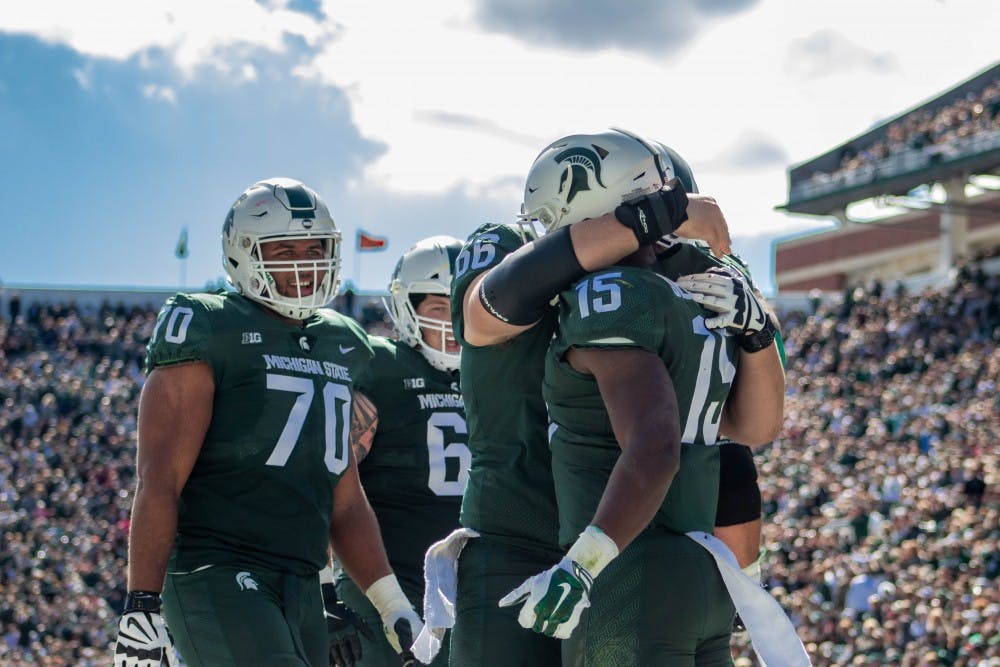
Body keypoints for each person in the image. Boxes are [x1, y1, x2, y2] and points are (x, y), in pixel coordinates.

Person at [444, 129, 736, 666]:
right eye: (661, 215)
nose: (667, 242)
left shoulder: (664, 279)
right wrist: (658, 214)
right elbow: (484, 317)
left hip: (615, 540)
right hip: (517, 535)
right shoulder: (510, 246)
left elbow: (729, 434)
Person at [111, 178, 422, 667]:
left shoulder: (346, 342)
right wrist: (141, 605)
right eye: (283, 250)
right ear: (243, 254)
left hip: (298, 581)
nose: (303, 263)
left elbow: (342, 494)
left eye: (314, 248)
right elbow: (159, 479)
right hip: (217, 566)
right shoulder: (208, 324)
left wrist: (393, 604)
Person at [498, 136, 785, 665]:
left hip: (626, 567)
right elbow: (757, 430)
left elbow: (654, 449)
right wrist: (759, 333)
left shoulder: (612, 293)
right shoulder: (698, 294)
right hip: (703, 570)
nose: (554, 237)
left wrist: (581, 565)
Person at [331, 235, 468, 667]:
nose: (451, 325)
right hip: (385, 576)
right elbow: (327, 476)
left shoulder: (495, 373)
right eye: (438, 309)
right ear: (406, 310)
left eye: (460, 308)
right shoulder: (381, 366)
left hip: (468, 582)